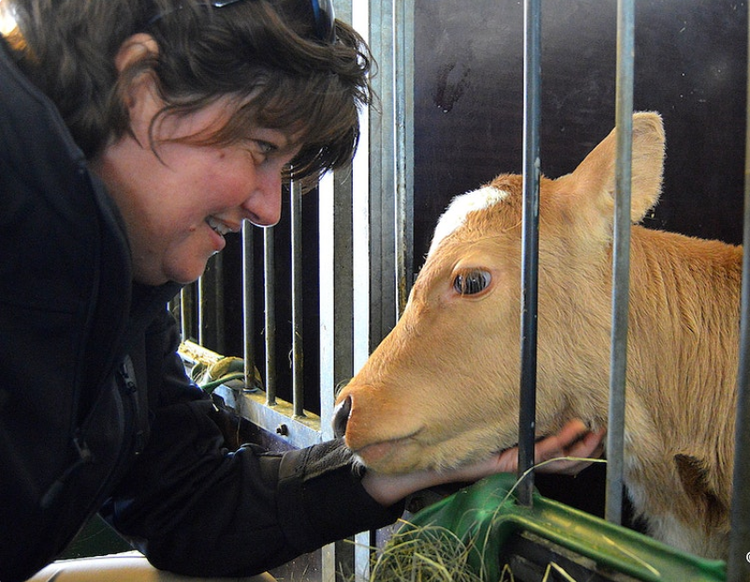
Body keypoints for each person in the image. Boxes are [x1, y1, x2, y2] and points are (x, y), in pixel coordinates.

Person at [0, 0, 605, 580]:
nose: (269, 208)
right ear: (138, 83)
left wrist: (417, 460)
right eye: (260, 148)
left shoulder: (126, 293)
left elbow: (187, 505)